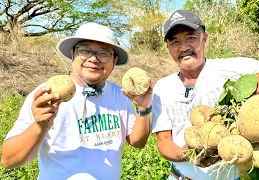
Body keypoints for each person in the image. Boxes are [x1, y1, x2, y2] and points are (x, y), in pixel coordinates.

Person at [151, 9, 259, 180]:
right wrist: (190, 153)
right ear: (168, 48)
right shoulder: (163, 87)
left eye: (190, 38)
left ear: (205, 38)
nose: (184, 47)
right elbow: (163, 142)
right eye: (175, 41)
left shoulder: (233, 68)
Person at [1, 22, 152, 180]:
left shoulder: (121, 94)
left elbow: (137, 142)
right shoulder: (46, 96)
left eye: (104, 53)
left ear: (114, 61)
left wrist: (143, 108)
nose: (93, 59)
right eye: (85, 50)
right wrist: (40, 125)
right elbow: (10, 161)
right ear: (72, 54)